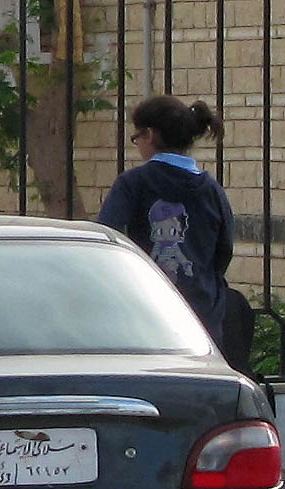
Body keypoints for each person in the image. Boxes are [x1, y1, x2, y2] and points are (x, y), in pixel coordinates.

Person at [97, 96, 233, 346]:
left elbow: (106, 239)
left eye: (136, 137)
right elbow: (224, 250)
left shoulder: (132, 184)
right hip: (203, 311)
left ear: (149, 134)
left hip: (145, 310)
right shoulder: (211, 189)